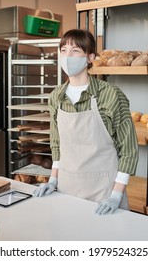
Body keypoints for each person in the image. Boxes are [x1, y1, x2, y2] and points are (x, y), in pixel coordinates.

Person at [33, 29, 139, 215]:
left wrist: (116, 194)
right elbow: (57, 145)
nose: (67, 56)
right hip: (66, 189)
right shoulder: (56, 97)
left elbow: (128, 150)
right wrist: (53, 180)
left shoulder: (110, 95)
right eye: (63, 50)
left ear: (90, 57)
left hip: (103, 191)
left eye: (75, 51)